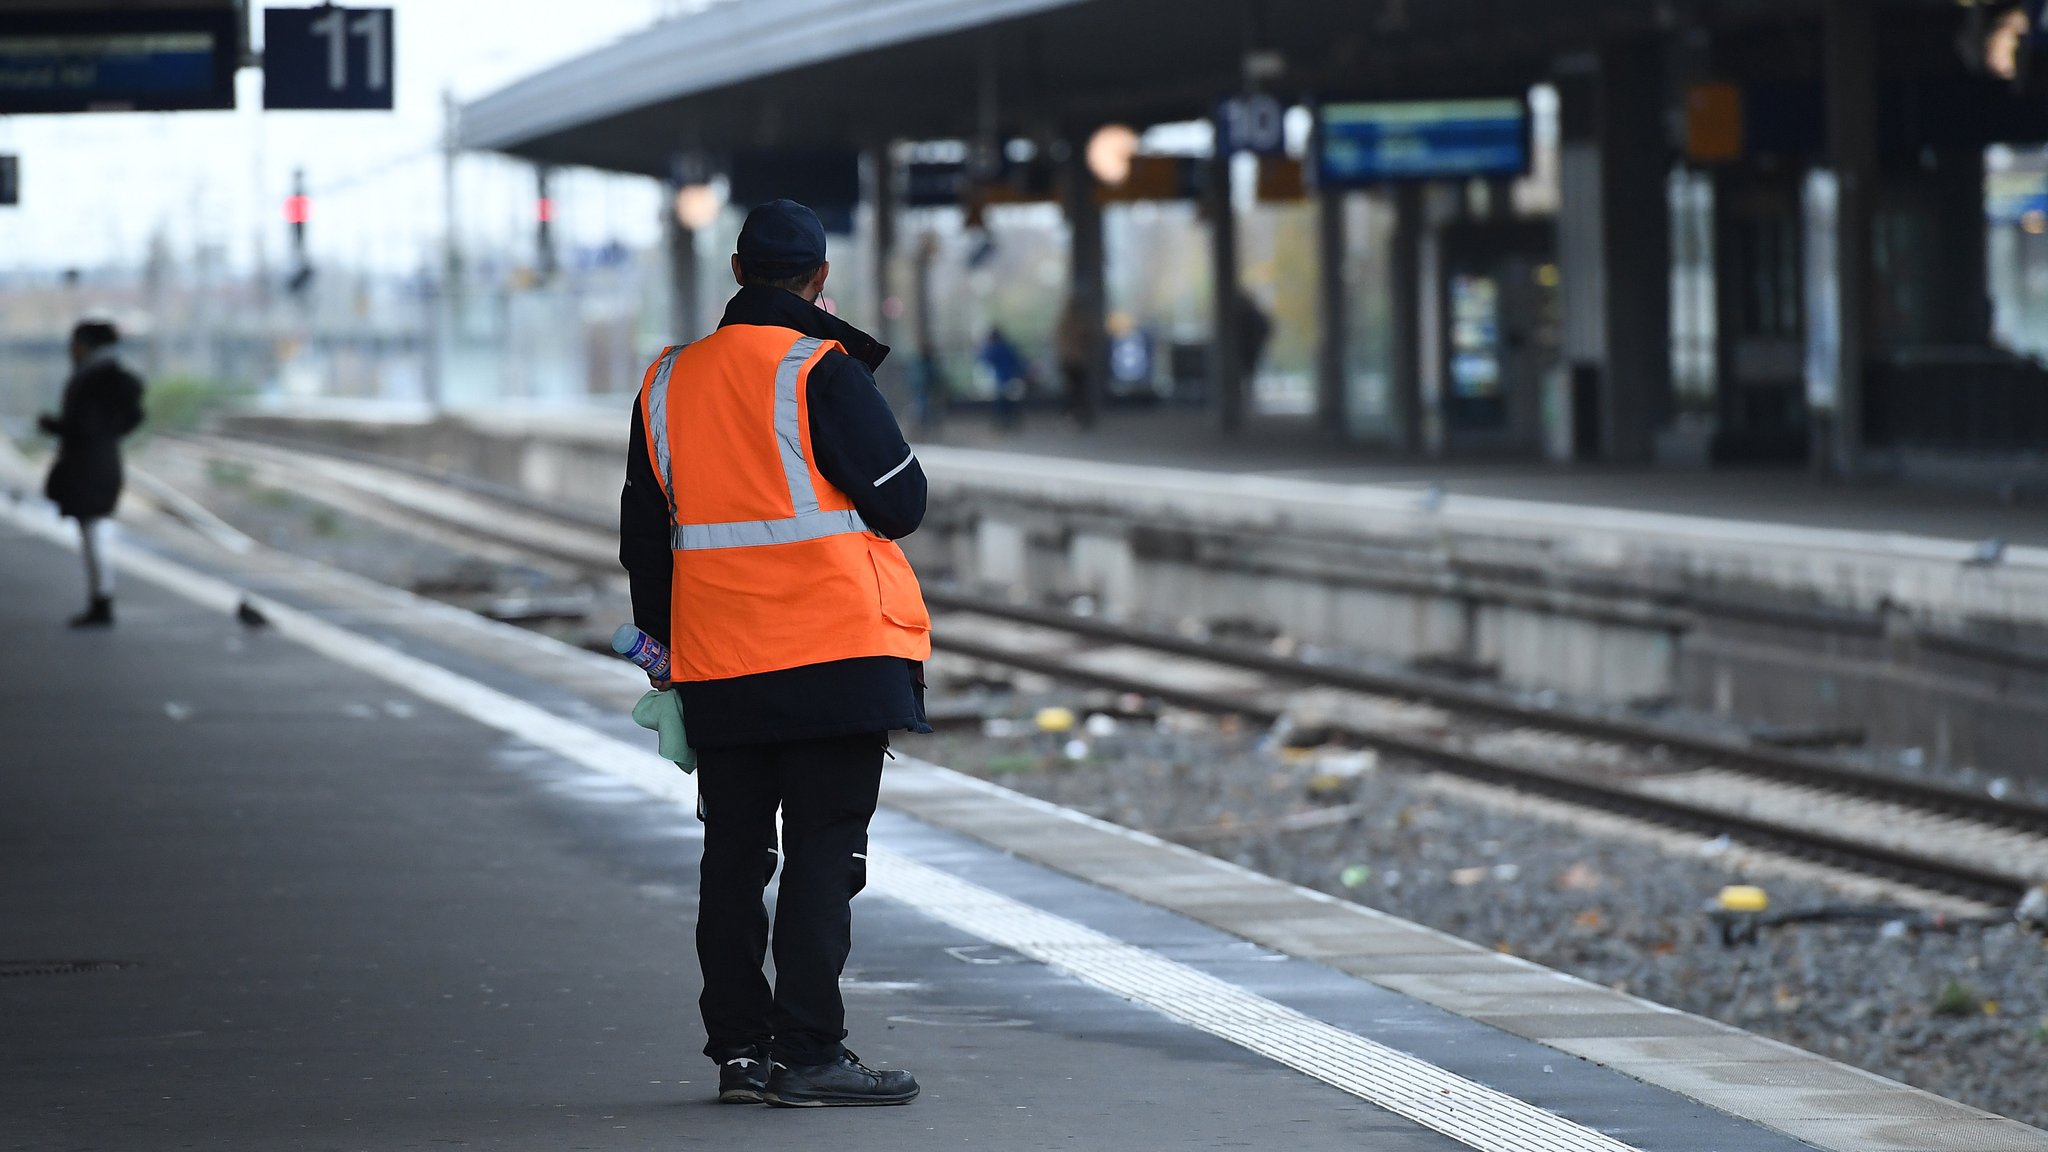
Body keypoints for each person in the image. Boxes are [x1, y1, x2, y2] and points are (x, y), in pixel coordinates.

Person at [618, 200, 929, 1109]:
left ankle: (741, 1054)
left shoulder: (667, 383)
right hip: (835, 657)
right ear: (819, 280)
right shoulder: (819, 369)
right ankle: (810, 1048)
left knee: (735, 857)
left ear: (737, 270)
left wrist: (664, 658)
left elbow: (645, 541)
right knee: (825, 853)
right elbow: (900, 502)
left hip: (720, 666)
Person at [38, 320, 145, 628]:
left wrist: (55, 427)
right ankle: (100, 598)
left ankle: (102, 601)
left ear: (86, 345)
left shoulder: (92, 379)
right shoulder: (109, 377)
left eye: (75, 342)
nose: (70, 349)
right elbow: (131, 417)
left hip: (89, 465)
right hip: (100, 460)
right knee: (92, 530)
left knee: (93, 531)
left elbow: (84, 425)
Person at [976, 326, 1028, 431]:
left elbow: (983, 358)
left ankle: (1002, 424)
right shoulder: (1009, 346)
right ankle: (1012, 424)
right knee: (1012, 404)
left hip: (1003, 380)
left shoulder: (995, 348)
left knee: (1001, 404)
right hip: (1014, 378)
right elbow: (1020, 361)